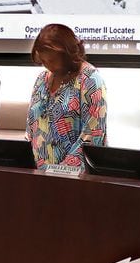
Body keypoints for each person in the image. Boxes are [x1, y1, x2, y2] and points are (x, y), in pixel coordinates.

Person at [27, 24, 107, 168]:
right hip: (37, 175)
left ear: (67, 55)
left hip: (74, 178)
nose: (47, 66)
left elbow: (93, 135)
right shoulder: (41, 79)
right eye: (44, 61)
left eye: (52, 61)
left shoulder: (90, 79)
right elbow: (32, 127)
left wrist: (61, 172)